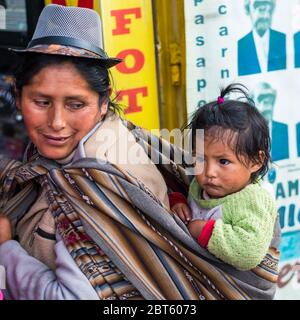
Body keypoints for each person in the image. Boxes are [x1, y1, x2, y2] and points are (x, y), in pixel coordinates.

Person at [0, 5, 280, 300]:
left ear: (103, 102)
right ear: (17, 96)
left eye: (75, 104)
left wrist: (7, 250)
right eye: (41, 102)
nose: (57, 123)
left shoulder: (93, 178)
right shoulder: (102, 138)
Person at [169, 84, 280, 271]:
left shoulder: (252, 201)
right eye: (200, 158)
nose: (209, 171)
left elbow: (249, 252)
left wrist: (202, 231)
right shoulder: (200, 184)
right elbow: (191, 199)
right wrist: (179, 203)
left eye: (223, 161)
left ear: (255, 161)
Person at [238, 0, 286, 76]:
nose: (265, 15)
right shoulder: (240, 46)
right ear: (248, 10)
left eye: (268, 9)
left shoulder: (284, 40)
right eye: (258, 8)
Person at [251, 82, 289, 161]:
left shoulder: (283, 129)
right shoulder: (245, 133)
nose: (266, 102)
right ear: (252, 103)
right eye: (261, 98)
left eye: (270, 97)